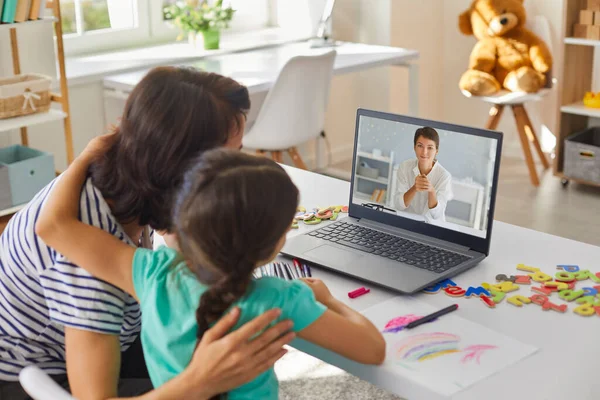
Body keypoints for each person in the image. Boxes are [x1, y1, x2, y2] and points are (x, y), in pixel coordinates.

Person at [0, 66, 294, 399]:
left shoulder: (120, 175)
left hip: (112, 332)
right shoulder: (89, 257)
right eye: (231, 159)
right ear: (180, 168)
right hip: (39, 377)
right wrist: (200, 381)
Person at [36, 138, 387, 400]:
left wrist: (87, 154)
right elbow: (373, 349)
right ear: (274, 245)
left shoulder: (151, 273)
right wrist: (326, 298)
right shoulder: (280, 300)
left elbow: (54, 226)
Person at [394, 127, 453, 222]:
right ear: (414, 147)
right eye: (420, 146)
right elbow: (398, 205)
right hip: (407, 223)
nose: (424, 152)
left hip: (431, 228)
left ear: (436, 151)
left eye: (430, 147)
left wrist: (431, 191)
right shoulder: (405, 167)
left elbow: (437, 215)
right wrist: (414, 188)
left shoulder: (444, 176)